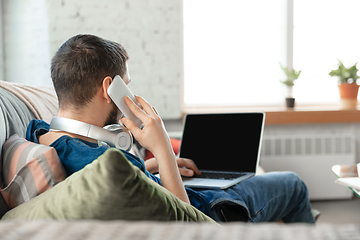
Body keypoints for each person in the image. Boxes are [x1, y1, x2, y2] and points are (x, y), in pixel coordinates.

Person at [26, 34, 316, 223]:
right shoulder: (105, 161)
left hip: (171, 186)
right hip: (212, 210)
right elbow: (186, 224)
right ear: (109, 88)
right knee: (293, 184)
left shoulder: (41, 134)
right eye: (125, 82)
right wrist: (162, 145)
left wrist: (153, 166)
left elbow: (129, 183)